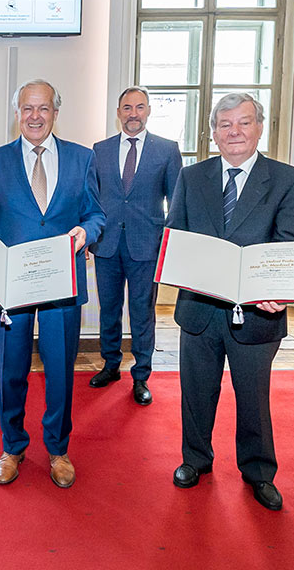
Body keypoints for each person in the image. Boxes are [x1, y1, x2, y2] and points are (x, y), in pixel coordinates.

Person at [166, 93, 294, 511]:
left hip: (258, 313)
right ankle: (195, 460)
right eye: (225, 125)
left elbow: (288, 244)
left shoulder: (288, 180)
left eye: (244, 123)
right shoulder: (191, 178)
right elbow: (176, 236)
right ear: (213, 133)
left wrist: (278, 288)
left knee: (253, 398)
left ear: (260, 127)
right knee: (196, 391)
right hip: (199, 307)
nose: (234, 132)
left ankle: (259, 472)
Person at [0, 79, 105, 488]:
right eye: (27, 108)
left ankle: (58, 449)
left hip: (62, 287)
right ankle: (12, 447)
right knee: (11, 370)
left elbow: (96, 215)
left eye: (43, 108)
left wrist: (86, 232)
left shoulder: (83, 159)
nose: (35, 115)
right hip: (12, 289)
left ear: (55, 113)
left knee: (61, 371)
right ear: (17, 113)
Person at [88, 87, 182, 405]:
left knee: (142, 313)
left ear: (149, 111)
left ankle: (141, 376)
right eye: (127, 107)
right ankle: (111, 365)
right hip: (106, 245)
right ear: (118, 112)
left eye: (139, 107)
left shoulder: (167, 150)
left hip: (146, 245)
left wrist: (166, 242)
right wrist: (89, 234)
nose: (133, 113)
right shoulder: (99, 150)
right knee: (109, 311)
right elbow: (91, 199)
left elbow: (177, 202)